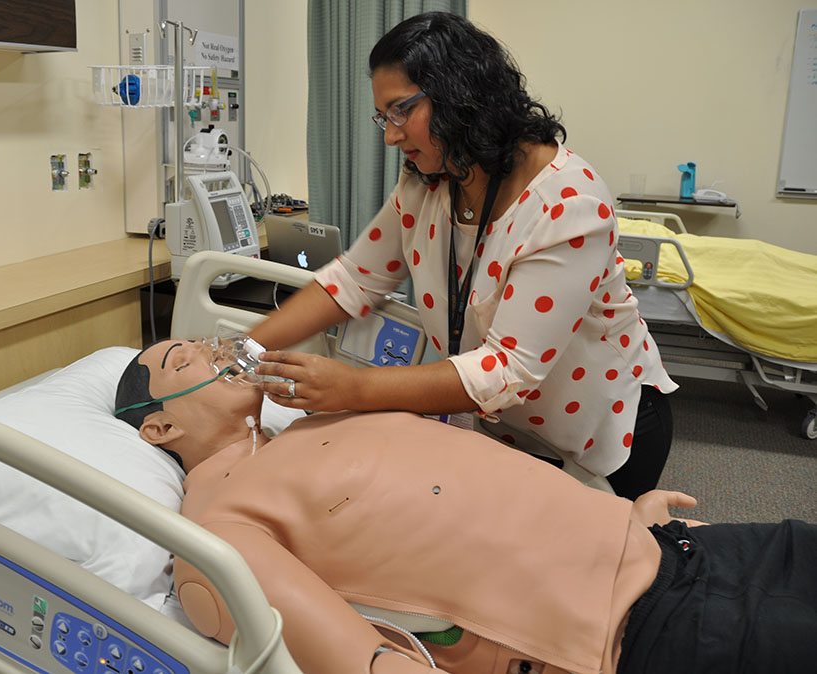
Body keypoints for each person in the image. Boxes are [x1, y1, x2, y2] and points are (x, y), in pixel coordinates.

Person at [114, 339, 817, 674]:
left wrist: (632, 522)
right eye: (182, 359)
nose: (211, 348)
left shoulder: (305, 428)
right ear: (160, 427)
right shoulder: (216, 542)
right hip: (649, 633)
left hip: (679, 546)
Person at [247, 12, 676, 500]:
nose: (390, 135)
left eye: (400, 111)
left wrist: (354, 389)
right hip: (505, 425)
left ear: (458, 94)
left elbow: (508, 367)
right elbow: (353, 279)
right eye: (383, 116)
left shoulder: (569, 205)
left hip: (599, 431)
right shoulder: (431, 177)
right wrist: (240, 352)